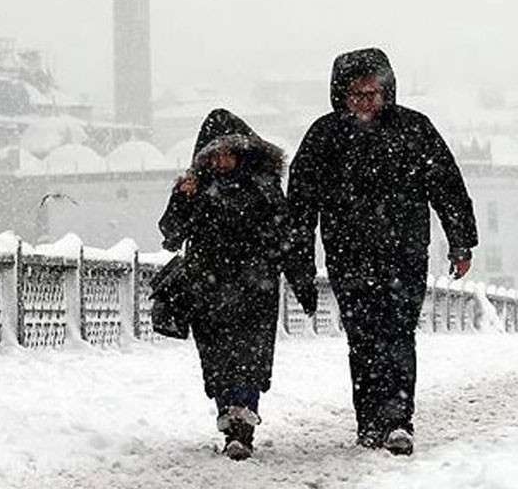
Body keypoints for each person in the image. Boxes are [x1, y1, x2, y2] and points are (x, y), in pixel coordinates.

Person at [287, 48, 477, 456]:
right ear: (342, 95)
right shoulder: (324, 136)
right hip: (348, 256)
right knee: (363, 338)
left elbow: (447, 186)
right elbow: (300, 205)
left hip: (404, 254)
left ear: (387, 91)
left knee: (398, 334)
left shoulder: (414, 129)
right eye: (357, 94)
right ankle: (370, 421)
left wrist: (461, 241)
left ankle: (397, 419)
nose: (366, 102)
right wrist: (299, 262)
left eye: (373, 93)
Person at [159, 109, 318, 461]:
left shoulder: (264, 188)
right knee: (217, 360)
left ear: (243, 151)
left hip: (255, 289)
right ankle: (229, 419)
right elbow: (170, 235)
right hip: (208, 289)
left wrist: (302, 282)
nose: (221, 161)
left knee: (249, 358)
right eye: (214, 155)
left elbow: (287, 239)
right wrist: (182, 197)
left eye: (227, 153)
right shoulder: (196, 189)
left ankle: (241, 426)